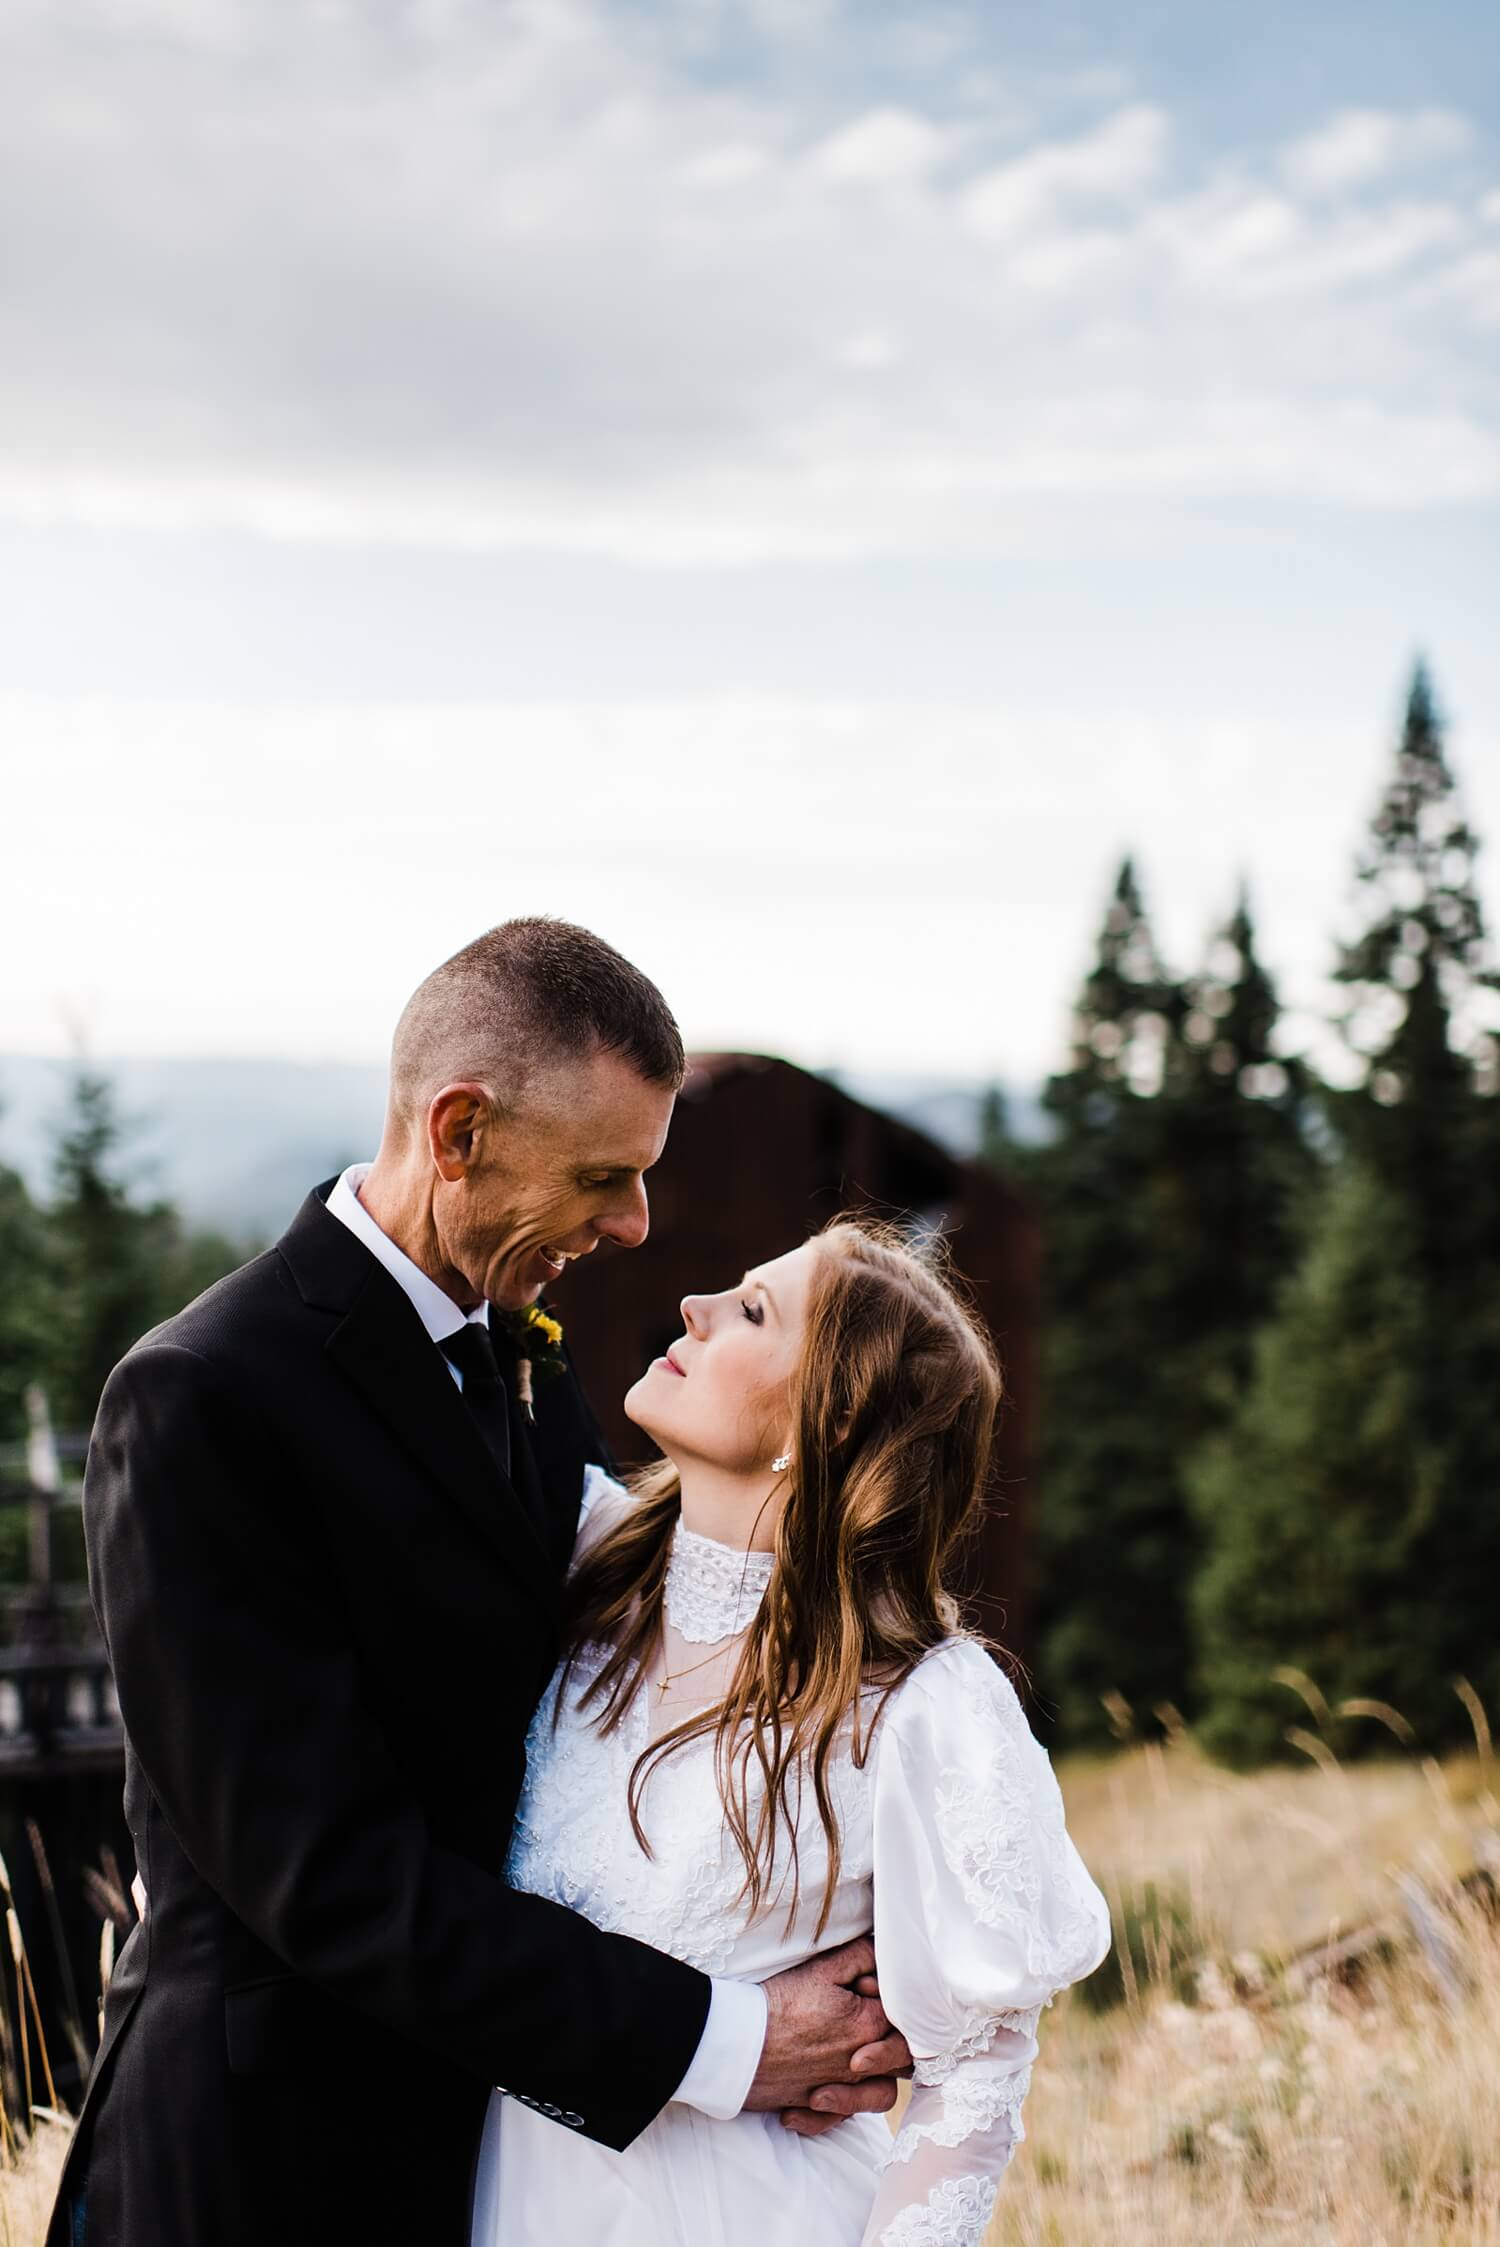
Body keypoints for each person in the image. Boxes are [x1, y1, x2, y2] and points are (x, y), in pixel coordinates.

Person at [48, 920, 908, 2247]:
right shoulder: (203, 1398)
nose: (632, 1225)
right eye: (602, 1178)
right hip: (259, 2166)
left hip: (491, 2146)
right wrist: (729, 2038)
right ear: (458, 1131)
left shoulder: (516, 1344)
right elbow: (332, 1876)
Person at [470, 1218, 1112, 2247]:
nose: (696, 1306)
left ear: (830, 1416)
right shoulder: (582, 1567)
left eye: (752, 1310)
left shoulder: (924, 1705)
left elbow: (973, 2085)